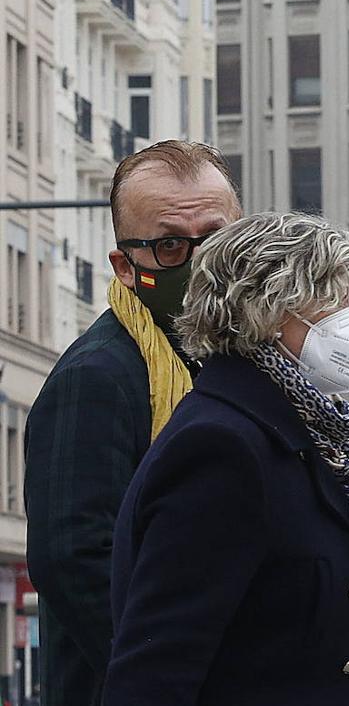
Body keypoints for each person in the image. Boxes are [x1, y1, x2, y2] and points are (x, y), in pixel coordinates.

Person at [102, 212, 349, 705]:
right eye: (337, 300)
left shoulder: (313, 433)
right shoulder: (221, 446)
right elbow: (159, 663)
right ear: (270, 311)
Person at [24, 141, 242, 706]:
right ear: (125, 266)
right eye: (171, 245)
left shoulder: (235, 360)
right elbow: (75, 559)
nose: (201, 262)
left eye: (217, 239)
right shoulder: (97, 375)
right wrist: (170, 678)